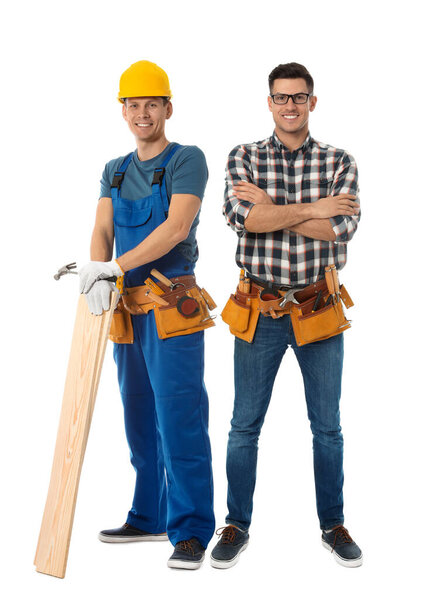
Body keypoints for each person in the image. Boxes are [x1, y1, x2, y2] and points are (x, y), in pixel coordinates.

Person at [211, 62, 362, 569]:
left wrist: (274, 208)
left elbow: (340, 231)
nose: (291, 106)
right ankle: (236, 524)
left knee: (328, 427)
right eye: (282, 97)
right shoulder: (243, 157)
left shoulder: (340, 160)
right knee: (243, 426)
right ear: (269, 102)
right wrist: (315, 207)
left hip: (319, 307)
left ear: (312, 102)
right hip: (261, 307)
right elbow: (244, 220)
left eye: (299, 97)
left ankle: (333, 524)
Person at [78, 60, 215, 570]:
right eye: (133, 105)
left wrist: (114, 266)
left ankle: (192, 530)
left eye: (151, 104)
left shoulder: (186, 160)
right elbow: (101, 229)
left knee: (178, 418)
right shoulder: (114, 169)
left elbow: (176, 228)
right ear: (123, 111)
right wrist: (97, 269)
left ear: (167, 108)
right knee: (138, 417)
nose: (142, 113)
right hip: (126, 310)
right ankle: (150, 515)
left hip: (171, 309)